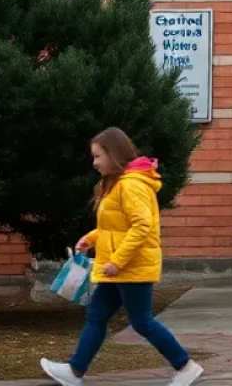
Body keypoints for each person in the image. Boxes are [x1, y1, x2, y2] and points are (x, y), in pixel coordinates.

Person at [41, 128, 204, 386]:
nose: (94, 163)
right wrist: (92, 239)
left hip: (130, 267)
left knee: (142, 322)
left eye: (97, 156)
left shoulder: (131, 186)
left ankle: (185, 366)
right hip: (116, 267)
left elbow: (142, 227)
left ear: (113, 154)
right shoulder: (119, 184)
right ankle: (74, 372)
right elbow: (116, 226)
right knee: (97, 316)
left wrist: (118, 261)